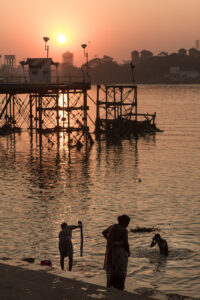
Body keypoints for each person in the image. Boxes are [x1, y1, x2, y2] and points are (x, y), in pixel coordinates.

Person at [102, 215, 130, 290]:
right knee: (120, 273)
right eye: (128, 223)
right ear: (125, 222)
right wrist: (129, 252)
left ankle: (110, 287)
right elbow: (126, 243)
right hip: (120, 254)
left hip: (111, 252)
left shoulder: (112, 226)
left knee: (111, 270)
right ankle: (119, 290)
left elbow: (104, 233)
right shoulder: (124, 230)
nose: (128, 225)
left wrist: (111, 242)